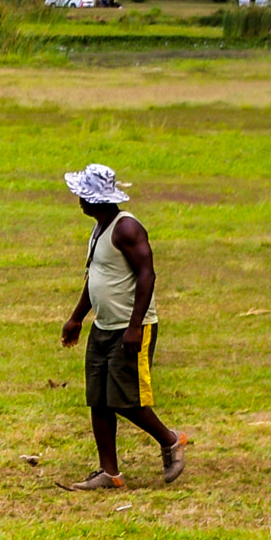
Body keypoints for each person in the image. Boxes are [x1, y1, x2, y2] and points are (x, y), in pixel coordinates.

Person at [58, 164, 191, 490]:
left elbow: (147, 275)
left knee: (124, 399)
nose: (78, 200)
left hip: (131, 328)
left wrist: (134, 327)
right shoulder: (100, 227)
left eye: (82, 195)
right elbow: (97, 278)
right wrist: (77, 317)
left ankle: (171, 440)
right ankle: (109, 472)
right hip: (103, 326)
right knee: (99, 400)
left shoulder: (126, 228)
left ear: (97, 199)